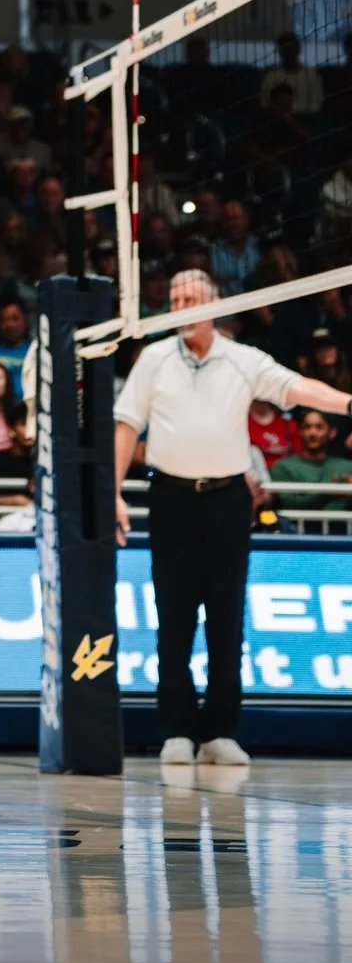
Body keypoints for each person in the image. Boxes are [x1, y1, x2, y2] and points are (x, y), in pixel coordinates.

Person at [113, 270, 352, 767]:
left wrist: (347, 403)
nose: (181, 304)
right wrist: (112, 491)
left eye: (190, 297)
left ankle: (221, 732)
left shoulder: (242, 359)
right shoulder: (154, 358)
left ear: (214, 304)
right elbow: (127, 425)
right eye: (175, 297)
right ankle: (176, 730)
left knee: (226, 618)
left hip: (227, 501)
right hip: (171, 499)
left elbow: (298, 388)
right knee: (173, 618)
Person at [271, 410, 352, 518]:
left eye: (319, 427)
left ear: (332, 432)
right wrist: (326, 495)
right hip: (296, 527)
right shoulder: (283, 467)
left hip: (342, 527)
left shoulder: (347, 467)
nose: (312, 433)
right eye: (307, 427)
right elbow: (289, 504)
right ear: (299, 431)